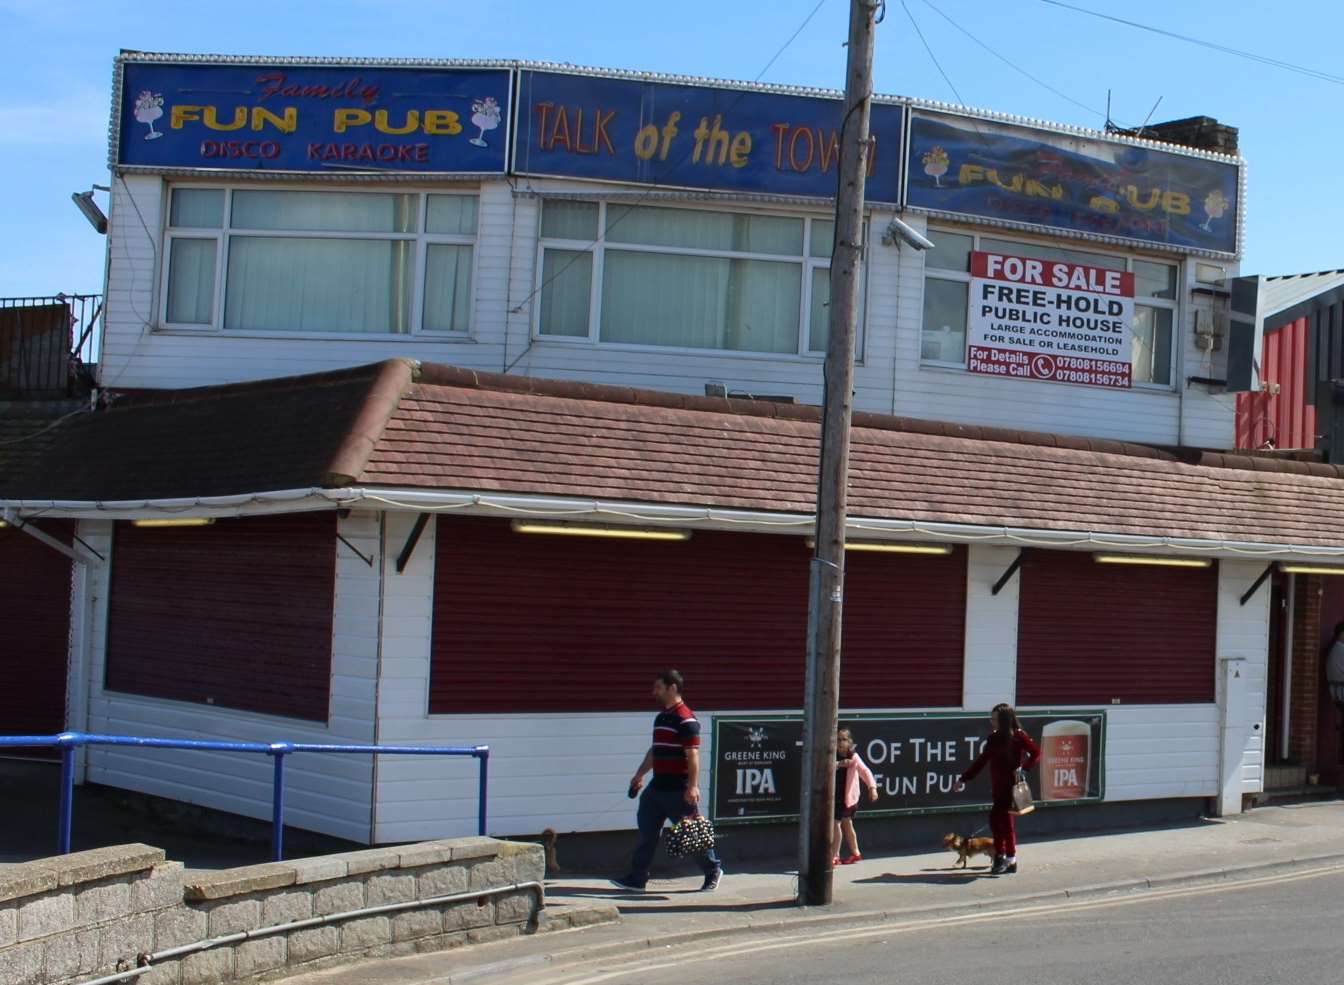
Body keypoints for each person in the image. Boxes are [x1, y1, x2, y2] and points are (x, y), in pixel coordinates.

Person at [610, 669, 723, 893]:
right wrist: (639, 774)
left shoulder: (686, 719)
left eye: (658, 688)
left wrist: (692, 786)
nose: (654, 693)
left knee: (691, 834)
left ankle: (713, 870)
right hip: (656, 788)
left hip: (678, 790)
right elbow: (656, 751)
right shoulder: (661, 718)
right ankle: (637, 878)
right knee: (646, 833)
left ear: (672, 688)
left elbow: (693, 755)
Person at [953, 702, 1040, 875]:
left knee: (1003, 823)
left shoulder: (1018, 736)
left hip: (1011, 786)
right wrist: (964, 778)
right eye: (991, 718)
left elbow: (1036, 753)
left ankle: (1005, 858)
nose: (991, 722)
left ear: (1004, 720)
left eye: (994, 719)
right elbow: (982, 760)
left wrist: (1024, 768)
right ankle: (1007, 859)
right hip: (998, 786)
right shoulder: (993, 738)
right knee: (998, 822)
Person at [833, 727, 878, 864]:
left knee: (836, 824)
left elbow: (866, 772)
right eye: (838, 739)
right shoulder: (831, 755)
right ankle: (856, 853)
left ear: (850, 742)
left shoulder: (853, 757)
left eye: (844, 739)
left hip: (848, 798)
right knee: (847, 824)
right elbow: (825, 767)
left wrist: (872, 788)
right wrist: (839, 764)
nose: (841, 742)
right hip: (834, 796)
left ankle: (834, 856)